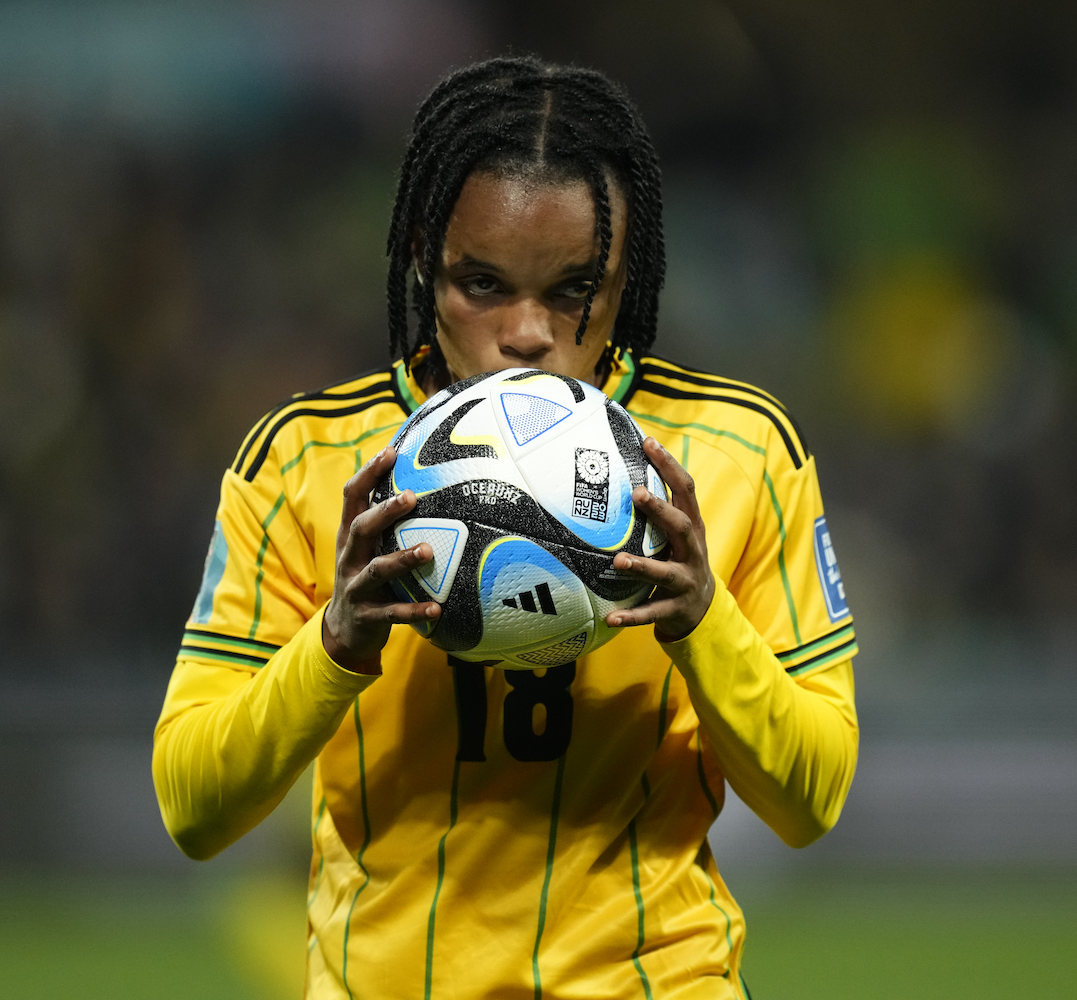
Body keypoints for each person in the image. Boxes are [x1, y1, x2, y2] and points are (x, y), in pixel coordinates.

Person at [153, 56, 858, 1000]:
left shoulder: (737, 454)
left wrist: (703, 621)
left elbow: (812, 800)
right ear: (417, 259)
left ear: (628, 273)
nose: (527, 333)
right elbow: (192, 809)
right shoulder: (304, 461)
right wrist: (335, 644)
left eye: (574, 289)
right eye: (480, 283)